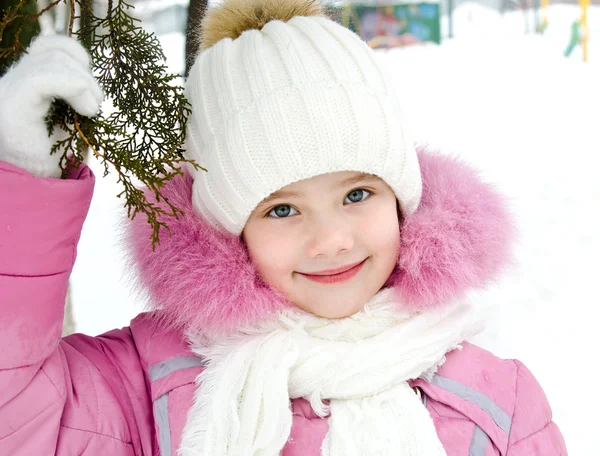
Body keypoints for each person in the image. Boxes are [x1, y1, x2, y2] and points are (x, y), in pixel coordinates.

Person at [0, 0, 567, 454]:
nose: (332, 239)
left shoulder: (498, 406)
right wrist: (21, 178)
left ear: (401, 198)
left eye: (358, 193)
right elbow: (17, 417)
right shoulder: (147, 385)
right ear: (228, 230)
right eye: (281, 209)